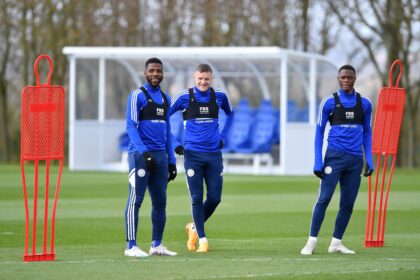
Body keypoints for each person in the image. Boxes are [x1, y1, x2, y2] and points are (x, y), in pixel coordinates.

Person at [301, 65, 374, 255]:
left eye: (349, 77)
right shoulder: (329, 102)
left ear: (355, 78)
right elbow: (319, 132)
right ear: (338, 78)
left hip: (355, 160)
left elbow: (367, 132)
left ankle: (336, 243)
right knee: (324, 199)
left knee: (348, 203)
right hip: (334, 158)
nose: (346, 80)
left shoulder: (365, 104)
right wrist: (318, 161)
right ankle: (311, 241)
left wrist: (370, 159)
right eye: (343, 77)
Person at [169, 64, 234, 253]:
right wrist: (174, 143)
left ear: (211, 78)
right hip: (192, 155)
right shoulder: (183, 97)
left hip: (214, 155)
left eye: (206, 79)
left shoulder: (220, 96)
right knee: (196, 198)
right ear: (194, 78)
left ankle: (193, 228)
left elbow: (231, 115)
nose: (203, 82)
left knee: (214, 198)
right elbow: (163, 118)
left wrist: (224, 137)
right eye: (200, 78)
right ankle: (203, 240)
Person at [124, 57, 178, 258]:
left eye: (159, 71)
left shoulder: (165, 99)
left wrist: (171, 161)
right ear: (145, 73)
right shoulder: (137, 96)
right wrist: (144, 151)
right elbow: (130, 126)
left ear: (163, 73)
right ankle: (131, 246)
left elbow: (168, 130)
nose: (155, 74)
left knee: (160, 202)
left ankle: (156, 245)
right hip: (140, 155)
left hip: (161, 158)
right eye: (152, 71)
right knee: (135, 200)